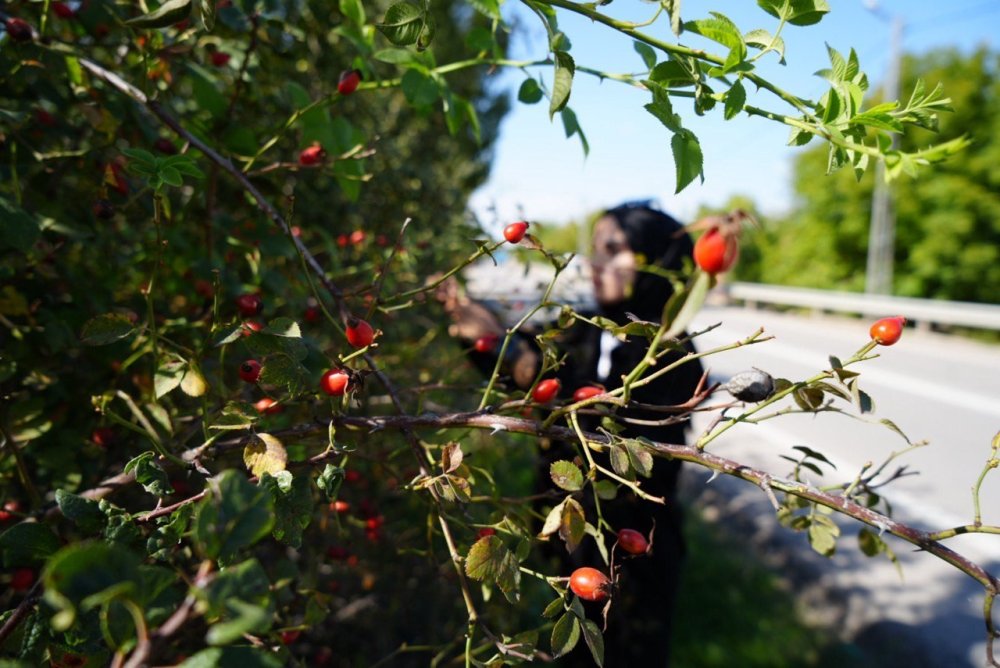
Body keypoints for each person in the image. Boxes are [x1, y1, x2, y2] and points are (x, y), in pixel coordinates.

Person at [439, 202, 704, 666]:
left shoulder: (674, 353)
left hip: (633, 557)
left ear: (655, 260)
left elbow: (601, 422)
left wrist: (516, 358)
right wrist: (477, 329)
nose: (595, 262)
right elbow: (533, 370)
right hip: (576, 541)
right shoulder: (589, 327)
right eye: (594, 249)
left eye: (613, 249)